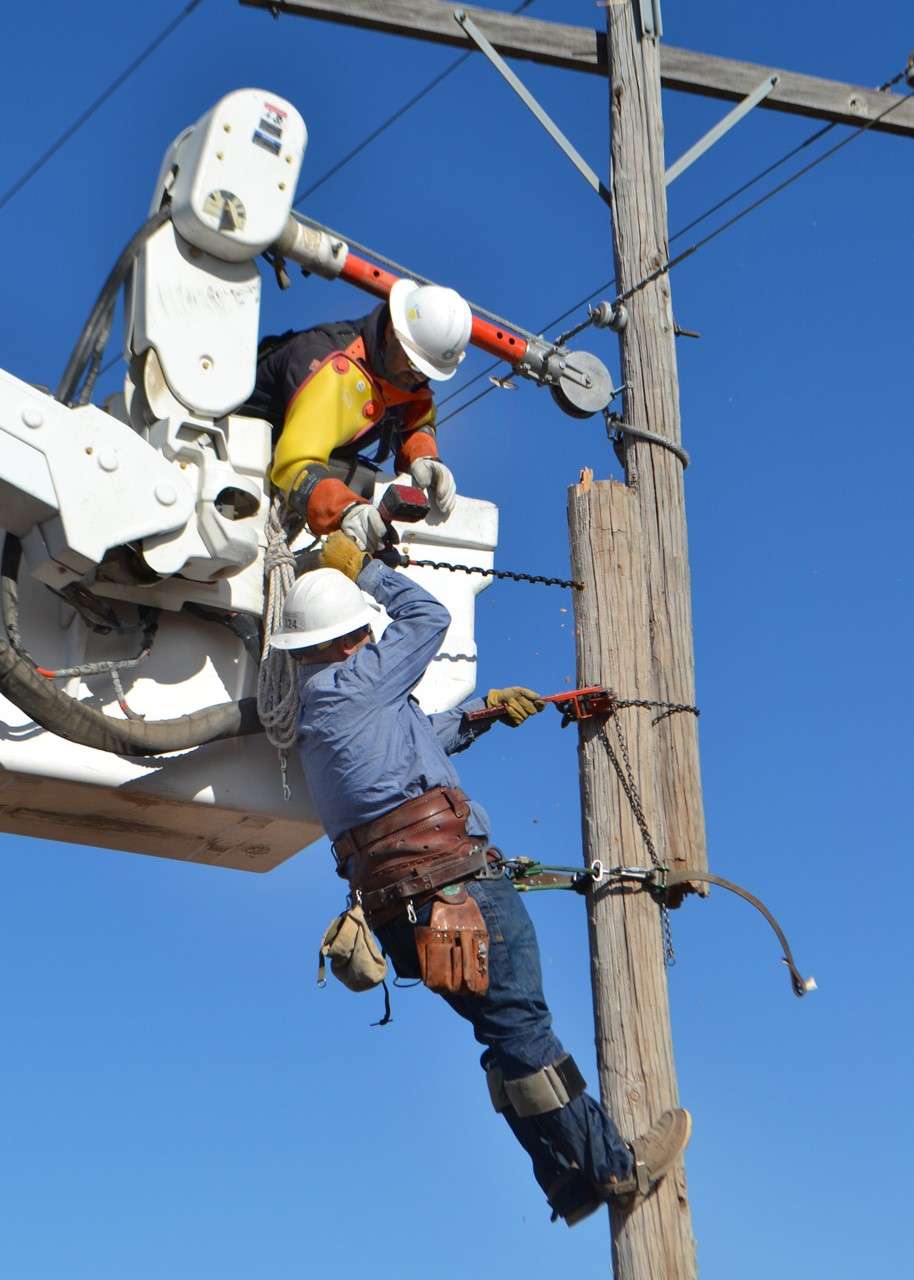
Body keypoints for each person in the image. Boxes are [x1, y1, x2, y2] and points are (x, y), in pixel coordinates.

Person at [270, 533, 691, 1226]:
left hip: (403, 910)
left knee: (504, 1038)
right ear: (349, 637)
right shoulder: (359, 677)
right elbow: (428, 618)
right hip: (453, 885)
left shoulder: (319, 710)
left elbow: (416, 737)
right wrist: (368, 568)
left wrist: (485, 715)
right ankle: (616, 1167)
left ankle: (568, 1182)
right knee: (522, 1027)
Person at [242, 280, 472, 552]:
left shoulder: (401, 376)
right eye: (413, 364)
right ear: (390, 333)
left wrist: (423, 456)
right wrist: (345, 509)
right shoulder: (333, 370)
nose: (417, 377)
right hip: (245, 464)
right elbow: (293, 465)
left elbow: (415, 416)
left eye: (428, 373)